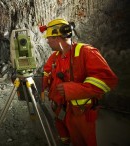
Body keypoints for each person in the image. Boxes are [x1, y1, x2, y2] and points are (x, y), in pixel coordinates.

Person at [40, 18, 118, 146]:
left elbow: (108, 80)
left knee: (83, 142)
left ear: (57, 37)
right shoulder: (55, 57)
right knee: (65, 139)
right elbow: (47, 73)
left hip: (81, 113)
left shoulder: (86, 52)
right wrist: (40, 85)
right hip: (60, 111)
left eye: (48, 38)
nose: (47, 41)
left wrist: (72, 90)